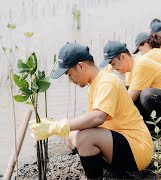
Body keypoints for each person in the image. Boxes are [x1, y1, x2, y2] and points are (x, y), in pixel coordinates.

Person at [29, 42, 153, 179]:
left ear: (81, 66)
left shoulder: (106, 82)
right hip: (123, 143)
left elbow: (98, 117)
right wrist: (60, 127)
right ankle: (111, 170)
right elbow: (92, 121)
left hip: (138, 150)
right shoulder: (96, 82)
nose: (70, 80)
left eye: (69, 74)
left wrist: (58, 126)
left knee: (85, 137)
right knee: (71, 136)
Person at [100, 41, 161, 132]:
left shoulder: (141, 64)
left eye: (113, 64)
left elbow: (128, 100)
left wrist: (105, 115)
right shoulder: (130, 71)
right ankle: (154, 127)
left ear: (123, 57)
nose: (113, 68)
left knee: (147, 95)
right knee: (124, 90)